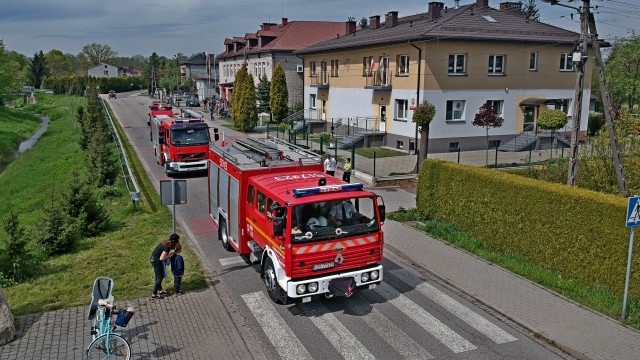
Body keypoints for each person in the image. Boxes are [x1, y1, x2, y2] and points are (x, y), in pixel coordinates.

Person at [150, 233, 179, 299]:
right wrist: (170, 254)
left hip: (153, 259)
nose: (177, 243)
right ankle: (154, 295)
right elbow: (161, 258)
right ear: (174, 241)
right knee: (160, 278)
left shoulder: (166, 242)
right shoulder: (167, 247)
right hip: (156, 261)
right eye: (177, 241)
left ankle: (160, 291)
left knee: (158, 277)